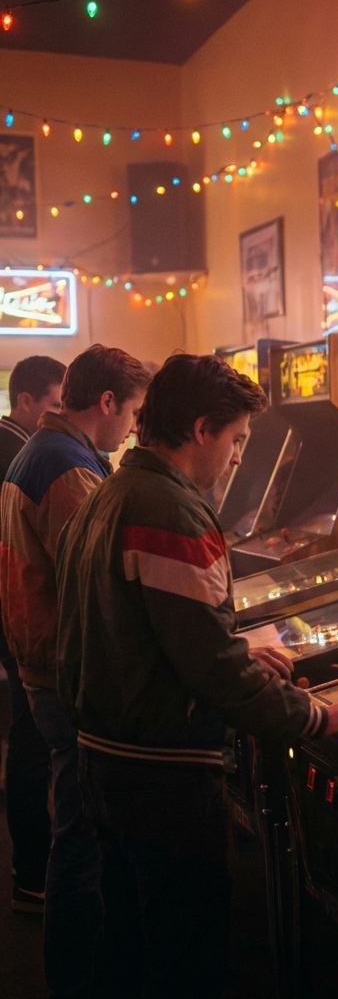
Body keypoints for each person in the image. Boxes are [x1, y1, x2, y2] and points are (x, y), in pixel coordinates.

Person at [56, 354, 338, 998]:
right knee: (186, 957)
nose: (237, 459)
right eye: (236, 441)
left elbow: (143, 632)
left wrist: (225, 648)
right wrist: (314, 715)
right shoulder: (169, 509)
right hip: (162, 775)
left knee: (124, 943)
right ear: (202, 429)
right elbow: (215, 674)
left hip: (107, 757)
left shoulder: (111, 491)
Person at [0, 344, 151, 998]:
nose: (135, 427)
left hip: (39, 659)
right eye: (136, 411)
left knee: (78, 823)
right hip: (63, 669)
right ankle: (77, 975)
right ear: (109, 403)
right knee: (83, 833)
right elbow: (100, 580)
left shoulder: (44, 449)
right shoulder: (67, 466)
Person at [0, 355, 67, 914]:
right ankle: (31, 872)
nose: (59, 416)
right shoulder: (17, 449)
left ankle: (32, 868)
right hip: (17, 614)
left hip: (13, 612)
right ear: (26, 401)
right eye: (54, 404)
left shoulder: (22, 447)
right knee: (29, 743)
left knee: (29, 741)